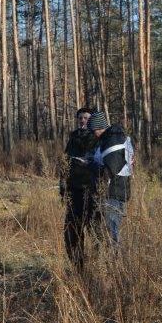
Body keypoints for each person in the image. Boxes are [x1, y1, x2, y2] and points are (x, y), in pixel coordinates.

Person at [61, 107, 100, 269]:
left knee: (96, 231)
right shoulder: (73, 138)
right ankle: (78, 267)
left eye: (86, 118)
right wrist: (62, 188)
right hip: (73, 191)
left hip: (92, 192)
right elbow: (64, 164)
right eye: (80, 118)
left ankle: (101, 268)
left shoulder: (97, 139)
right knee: (71, 231)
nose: (83, 121)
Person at [89, 110, 134, 245]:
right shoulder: (111, 138)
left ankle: (116, 261)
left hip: (114, 192)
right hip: (115, 190)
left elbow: (110, 169)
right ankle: (112, 259)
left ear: (98, 128)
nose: (92, 134)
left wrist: (89, 166)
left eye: (93, 130)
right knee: (109, 229)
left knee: (112, 230)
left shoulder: (113, 140)